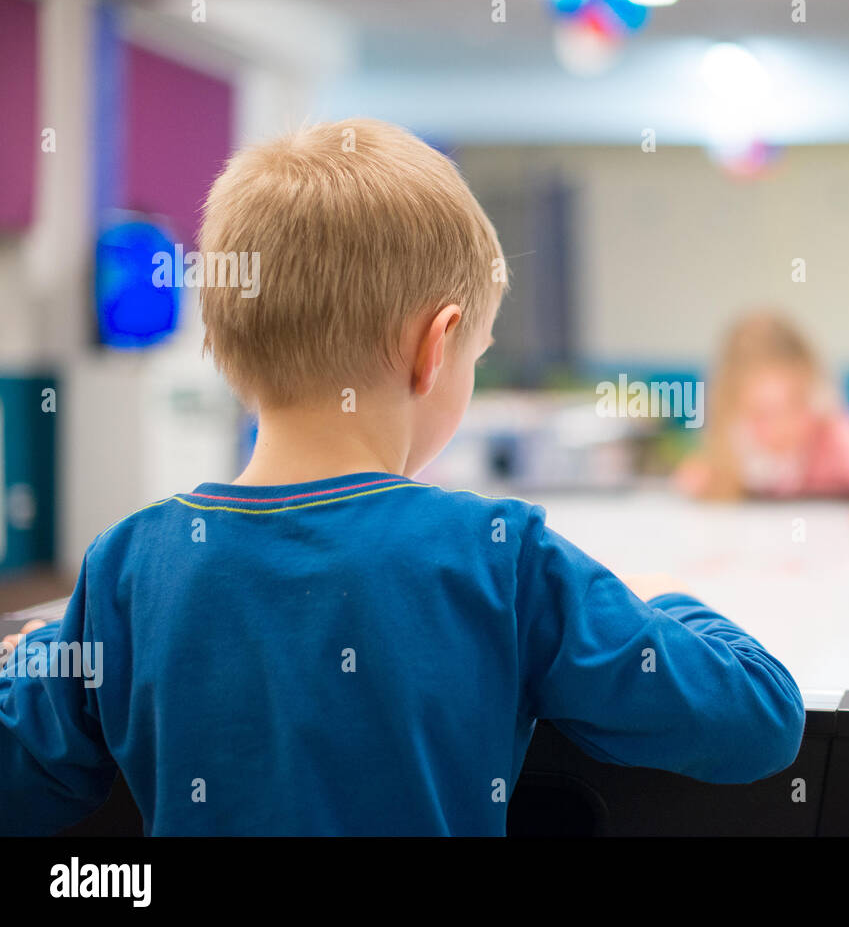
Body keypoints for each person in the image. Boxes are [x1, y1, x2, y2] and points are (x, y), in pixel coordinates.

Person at [0, 120, 804, 835]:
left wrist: (41, 659)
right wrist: (655, 601)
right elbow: (760, 716)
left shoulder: (127, 567)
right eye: (477, 357)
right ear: (436, 345)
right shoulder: (500, 556)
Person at [677, 311, 849, 519]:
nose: (782, 426)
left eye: (795, 404)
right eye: (762, 414)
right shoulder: (729, 447)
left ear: (814, 391)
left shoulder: (832, 435)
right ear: (732, 409)